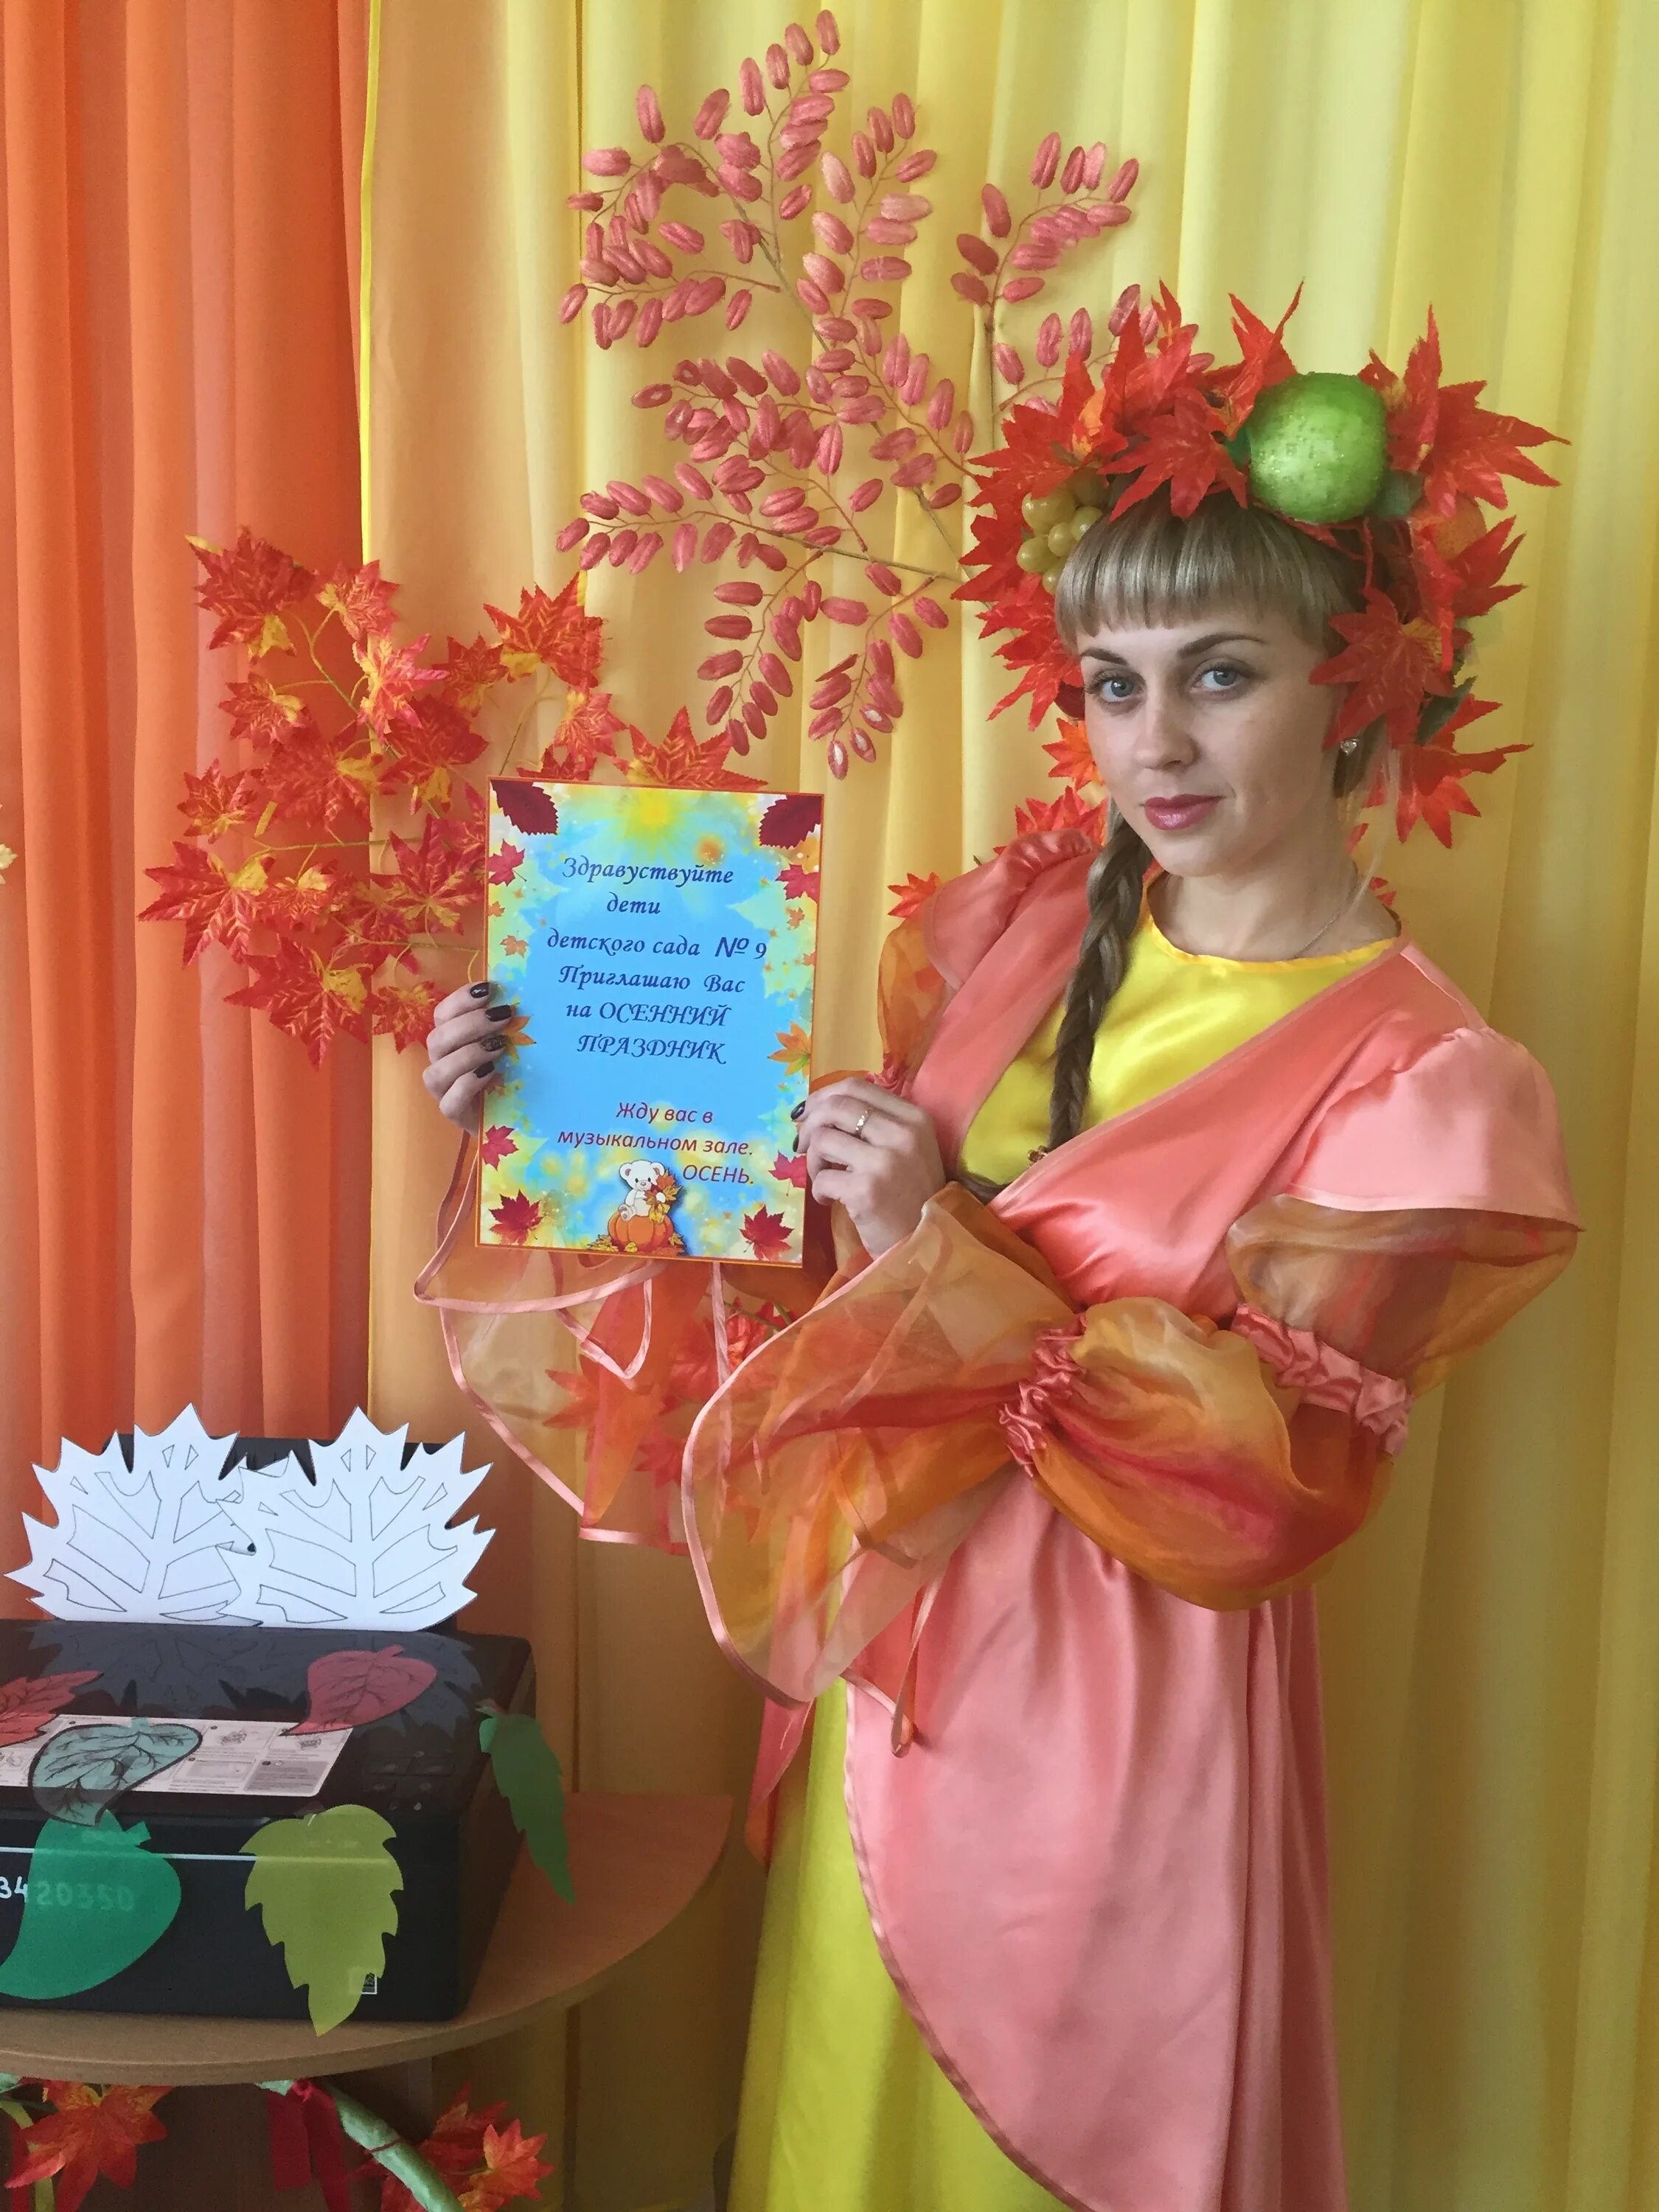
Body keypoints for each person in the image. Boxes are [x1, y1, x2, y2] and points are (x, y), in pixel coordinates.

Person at [418, 302, 1577, 2211]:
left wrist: (933, 1242)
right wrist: (562, 1110)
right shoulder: (1028, 928)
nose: (1154, 742)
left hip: (1116, 1736)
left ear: (1360, 687)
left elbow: (1254, 1495)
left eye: (1219, 675)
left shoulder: (1421, 1080)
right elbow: (808, 1298)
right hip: (893, 1684)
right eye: (1113, 684)